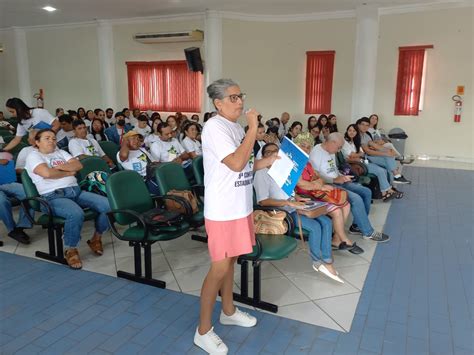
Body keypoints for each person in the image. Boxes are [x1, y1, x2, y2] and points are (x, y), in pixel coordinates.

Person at [195, 78, 277, 354]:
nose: (240, 101)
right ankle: (203, 331)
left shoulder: (231, 127)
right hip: (222, 211)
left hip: (239, 207)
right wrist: (253, 128)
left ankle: (227, 310)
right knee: (219, 267)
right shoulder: (214, 127)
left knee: (231, 262)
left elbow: (244, 164)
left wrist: (267, 162)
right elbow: (236, 162)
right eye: (232, 98)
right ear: (218, 103)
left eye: (240, 95)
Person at [254, 143, 344, 282]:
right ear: (263, 156)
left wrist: (296, 198)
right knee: (315, 227)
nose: (273, 154)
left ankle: (327, 260)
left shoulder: (282, 169)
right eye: (268, 152)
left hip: (293, 205)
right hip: (281, 212)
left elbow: (288, 190)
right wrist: (288, 203)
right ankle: (317, 262)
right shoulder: (261, 174)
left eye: (276, 151)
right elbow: (263, 201)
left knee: (326, 221)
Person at [25, 129, 111, 269]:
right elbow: (46, 173)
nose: (52, 141)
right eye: (47, 138)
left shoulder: (61, 152)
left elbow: (78, 165)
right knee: (76, 213)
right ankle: (71, 249)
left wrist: (60, 169)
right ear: (37, 142)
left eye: (53, 138)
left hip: (75, 191)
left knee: (108, 205)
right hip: (53, 196)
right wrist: (69, 172)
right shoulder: (33, 156)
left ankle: (96, 238)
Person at [309, 132, 390, 243]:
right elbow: (316, 176)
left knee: (366, 191)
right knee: (355, 199)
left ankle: (356, 225)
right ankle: (368, 232)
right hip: (327, 185)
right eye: (338, 147)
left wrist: (342, 176)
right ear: (332, 142)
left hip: (337, 180)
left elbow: (333, 169)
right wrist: (334, 180)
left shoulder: (331, 150)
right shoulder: (316, 152)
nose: (338, 150)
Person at [293, 133, 364, 254]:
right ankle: (345, 240)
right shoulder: (293, 162)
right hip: (306, 197)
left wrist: (318, 184)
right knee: (336, 210)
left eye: (308, 147)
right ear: (296, 146)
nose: (306, 149)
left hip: (315, 192)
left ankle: (336, 239)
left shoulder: (306, 162)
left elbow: (318, 177)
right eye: (302, 146)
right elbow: (301, 184)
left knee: (346, 205)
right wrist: (318, 185)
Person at [342, 124, 403, 201]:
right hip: (356, 164)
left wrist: (358, 155)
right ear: (347, 131)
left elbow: (361, 154)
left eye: (354, 131)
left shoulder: (355, 141)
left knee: (384, 169)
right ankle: (388, 190)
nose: (352, 132)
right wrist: (358, 155)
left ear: (357, 132)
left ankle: (385, 193)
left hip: (362, 161)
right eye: (350, 130)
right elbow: (351, 155)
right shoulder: (345, 143)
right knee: (380, 171)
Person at [357, 117, 411, 184]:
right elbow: (368, 151)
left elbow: (374, 145)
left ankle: (394, 181)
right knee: (389, 159)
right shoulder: (358, 136)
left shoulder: (366, 135)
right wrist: (386, 153)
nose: (365, 127)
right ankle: (396, 176)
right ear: (358, 125)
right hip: (366, 158)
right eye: (363, 124)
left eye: (367, 125)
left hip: (372, 155)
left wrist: (388, 151)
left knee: (389, 161)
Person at [0, 154, 33, 245]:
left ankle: (22, 226)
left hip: (6, 181)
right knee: (1, 201)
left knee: (29, 193)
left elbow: (8, 157)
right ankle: (12, 229)